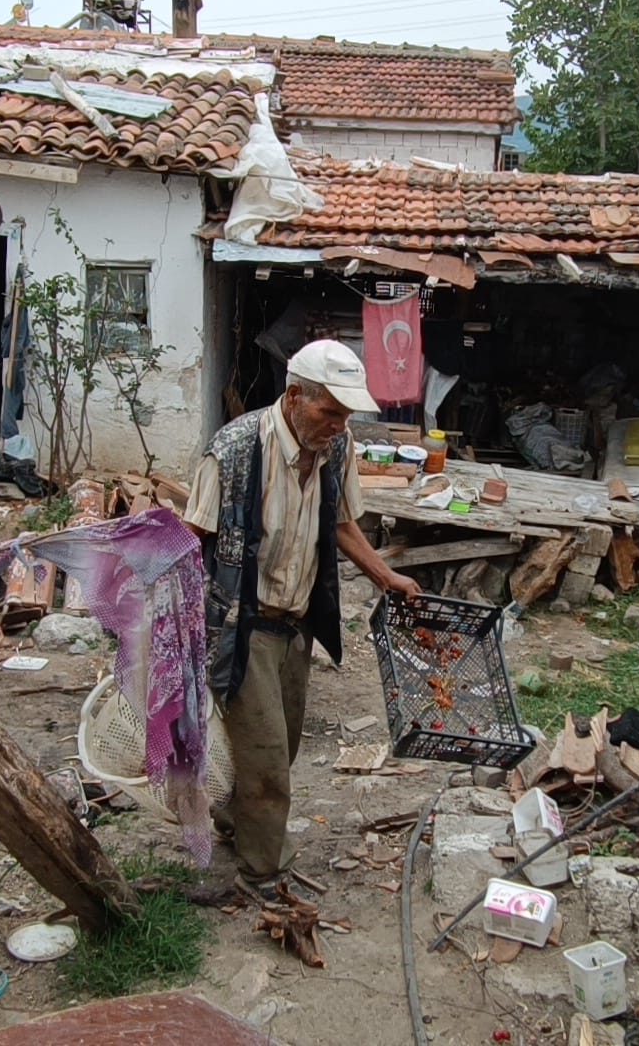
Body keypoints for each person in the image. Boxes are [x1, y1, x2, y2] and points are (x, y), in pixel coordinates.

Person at [184, 339, 422, 890]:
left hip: (296, 624)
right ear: (295, 397)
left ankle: (235, 823)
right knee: (268, 761)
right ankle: (263, 872)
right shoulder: (236, 450)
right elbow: (190, 538)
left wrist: (385, 577)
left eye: (346, 416)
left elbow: (340, 523)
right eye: (330, 412)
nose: (340, 426)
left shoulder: (334, 449)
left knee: (282, 745)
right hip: (242, 626)